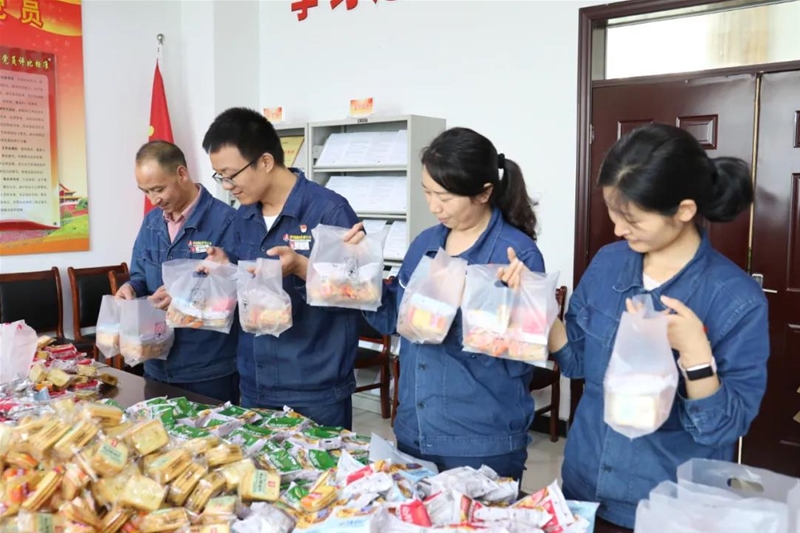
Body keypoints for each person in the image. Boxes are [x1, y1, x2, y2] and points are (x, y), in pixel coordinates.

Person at [546, 123, 769, 528]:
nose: (618, 229)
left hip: (666, 507)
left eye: (631, 218)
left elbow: (724, 428)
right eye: (613, 212)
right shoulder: (608, 263)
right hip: (582, 488)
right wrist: (537, 308)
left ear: (684, 211)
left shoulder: (736, 299)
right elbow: (577, 361)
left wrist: (696, 355)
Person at [345, 127, 545, 480]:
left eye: (445, 197)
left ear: (484, 193)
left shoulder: (516, 254)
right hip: (415, 428)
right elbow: (393, 320)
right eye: (427, 192)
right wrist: (361, 273)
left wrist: (474, 310)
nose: (433, 206)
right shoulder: (425, 244)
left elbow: (522, 356)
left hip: (481, 439)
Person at [201, 107, 360, 430]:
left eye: (231, 174)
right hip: (255, 381)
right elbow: (245, 285)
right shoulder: (244, 216)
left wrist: (302, 268)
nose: (227, 185)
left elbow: (357, 294)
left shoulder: (329, 211)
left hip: (314, 388)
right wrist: (225, 267)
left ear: (265, 161)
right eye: (220, 176)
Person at [117, 140, 240, 403]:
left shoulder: (227, 221)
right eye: (145, 191)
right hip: (155, 360)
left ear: (182, 174)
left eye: (158, 189)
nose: (153, 200)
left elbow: (236, 292)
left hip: (207, 369)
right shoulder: (152, 222)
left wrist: (184, 298)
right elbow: (139, 275)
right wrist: (131, 288)